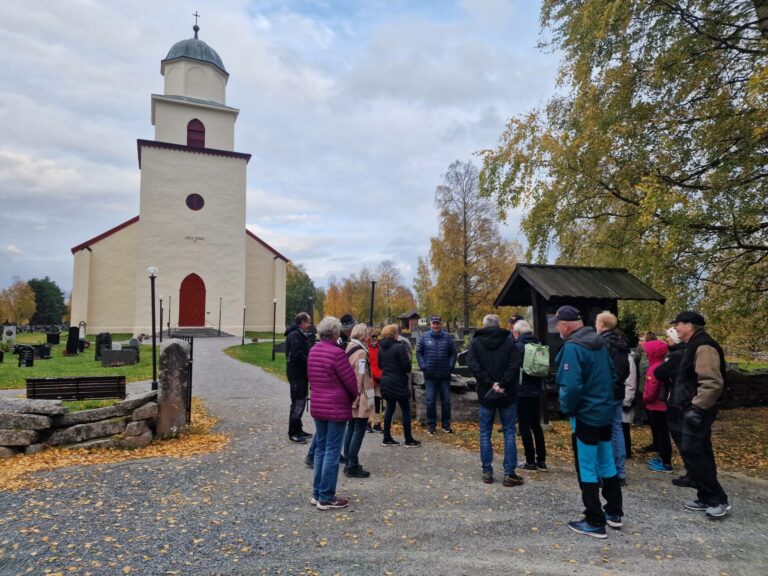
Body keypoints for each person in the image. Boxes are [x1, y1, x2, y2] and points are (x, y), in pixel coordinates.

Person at [555, 305, 623, 539]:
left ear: (565, 325)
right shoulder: (600, 342)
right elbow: (613, 375)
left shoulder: (573, 347)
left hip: (585, 415)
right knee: (607, 462)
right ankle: (614, 512)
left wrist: (568, 408)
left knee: (586, 466)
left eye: (558, 325)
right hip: (604, 412)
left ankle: (594, 520)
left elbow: (571, 385)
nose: (557, 329)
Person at [668, 311, 730, 519]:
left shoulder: (704, 346)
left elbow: (712, 382)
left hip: (698, 411)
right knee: (699, 452)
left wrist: (697, 408)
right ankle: (705, 496)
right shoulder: (695, 344)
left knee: (693, 452)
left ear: (690, 325)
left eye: (679, 324)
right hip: (692, 409)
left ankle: (717, 499)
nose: (675, 328)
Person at [307, 316, 359, 510]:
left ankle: (317, 493)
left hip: (319, 404)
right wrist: (354, 396)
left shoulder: (313, 351)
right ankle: (327, 496)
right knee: (332, 450)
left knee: (321, 448)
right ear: (336, 333)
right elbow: (350, 381)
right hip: (336, 406)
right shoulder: (337, 353)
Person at [467, 314, 524, 486]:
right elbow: (515, 364)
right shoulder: (509, 341)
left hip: (486, 393)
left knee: (485, 431)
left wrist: (490, 383)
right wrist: (503, 383)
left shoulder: (476, 342)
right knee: (509, 432)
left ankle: (487, 471)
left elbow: (473, 364)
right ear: (498, 325)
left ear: (484, 325)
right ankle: (509, 473)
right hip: (507, 393)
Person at [595, 311, 630, 486]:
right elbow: (626, 369)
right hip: (618, 390)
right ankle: (620, 471)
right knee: (617, 429)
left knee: (603, 432)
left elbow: (598, 369)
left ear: (601, 324)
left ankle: (605, 471)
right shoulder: (622, 343)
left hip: (605, 392)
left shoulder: (602, 343)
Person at [654, 327, 692, 487]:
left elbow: (660, 372)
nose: (667, 340)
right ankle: (692, 472)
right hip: (680, 396)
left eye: (669, 337)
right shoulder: (685, 352)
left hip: (678, 398)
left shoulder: (677, 355)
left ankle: (693, 473)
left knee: (681, 435)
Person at [512, 320, 548, 471]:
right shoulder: (538, 344)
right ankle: (542, 461)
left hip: (522, 390)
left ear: (518, 333)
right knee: (536, 425)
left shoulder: (518, 346)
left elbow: (513, 367)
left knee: (524, 426)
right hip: (536, 389)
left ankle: (530, 461)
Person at [342, 324, 376, 478]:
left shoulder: (349, 347)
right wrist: (356, 397)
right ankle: (352, 465)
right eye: (368, 335)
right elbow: (360, 375)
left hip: (350, 393)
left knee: (351, 428)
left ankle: (349, 460)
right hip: (359, 394)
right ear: (363, 336)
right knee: (358, 429)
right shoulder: (361, 352)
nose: (369, 338)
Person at [379, 324, 421, 447]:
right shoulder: (399, 347)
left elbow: (380, 365)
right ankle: (408, 439)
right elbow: (406, 367)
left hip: (386, 381)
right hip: (398, 382)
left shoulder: (382, 348)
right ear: (394, 334)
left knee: (389, 409)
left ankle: (386, 438)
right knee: (406, 410)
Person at [416, 315, 457, 434]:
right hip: (430, 375)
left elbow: (454, 353)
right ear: (430, 324)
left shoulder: (448, 337)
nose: (435, 326)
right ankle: (431, 425)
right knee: (430, 400)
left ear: (441, 324)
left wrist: (451, 366)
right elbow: (418, 352)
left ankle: (445, 425)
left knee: (446, 401)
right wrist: (423, 366)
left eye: (437, 323)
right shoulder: (424, 337)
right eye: (433, 324)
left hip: (444, 374)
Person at [643, 338, 673, 472]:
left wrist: (646, 398)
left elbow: (651, 388)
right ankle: (662, 457)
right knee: (662, 433)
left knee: (662, 434)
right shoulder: (664, 365)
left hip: (656, 406)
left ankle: (665, 461)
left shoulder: (654, 368)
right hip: (662, 406)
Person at [285, 312, 312, 444]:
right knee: (298, 402)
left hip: (300, 373)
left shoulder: (298, 334)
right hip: (296, 374)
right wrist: (310, 362)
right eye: (308, 322)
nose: (309, 325)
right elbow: (297, 354)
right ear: (302, 322)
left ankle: (298, 428)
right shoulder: (295, 335)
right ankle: (293, 432)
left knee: (300, 400)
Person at [366, 327, 384, 434]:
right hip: (370, 378)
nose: (375, 338)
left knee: (378, 400)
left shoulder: (378, 348)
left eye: (376, 336)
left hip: (378, 377)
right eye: (372, 336)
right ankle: (368, 422)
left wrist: (380, 374)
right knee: (370, 401)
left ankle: (377, 423)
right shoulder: (366, 349)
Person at [621, 349, 638, 459]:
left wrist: (627, 400)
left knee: (623, 427)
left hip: (624, 398)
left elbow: (631, 382)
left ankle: (626, 451)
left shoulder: (628, 359)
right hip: (621, 396)